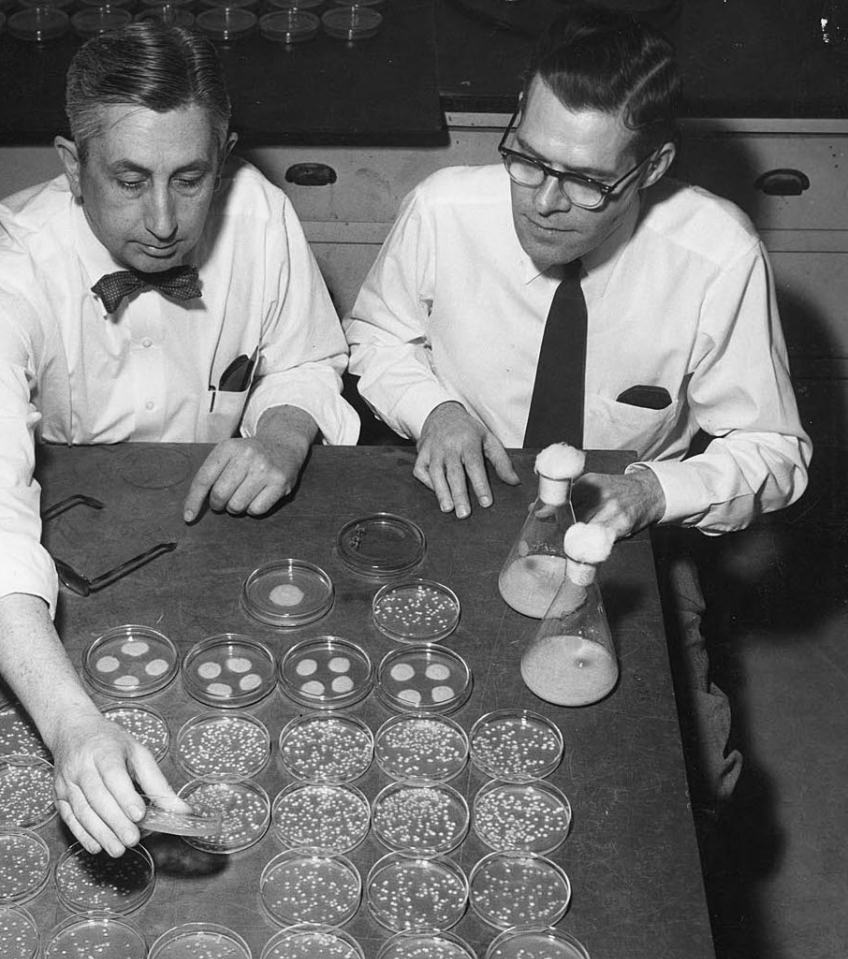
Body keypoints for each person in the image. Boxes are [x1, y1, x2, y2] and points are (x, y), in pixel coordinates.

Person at [345, 4, 811, 821]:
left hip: (627, 540)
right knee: (409, 744)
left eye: (589, 182)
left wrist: (658, 491)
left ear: (653, 165)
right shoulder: (444, 209)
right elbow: (378, 335)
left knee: (685, 788)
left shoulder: (716, 255)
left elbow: (776, 449)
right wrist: (437, 409)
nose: (545, 202)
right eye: (528, 159)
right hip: (468, 495)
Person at [0, 23, 359, 857]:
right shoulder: (1, 276)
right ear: (68, 163)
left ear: (224, 156)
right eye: (129, 180)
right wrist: (72, 726)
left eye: (190, 178)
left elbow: (310, 358)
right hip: (60, 550)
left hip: (226, 548)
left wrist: (284, 431)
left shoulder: (261, 212)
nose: (163, 222)